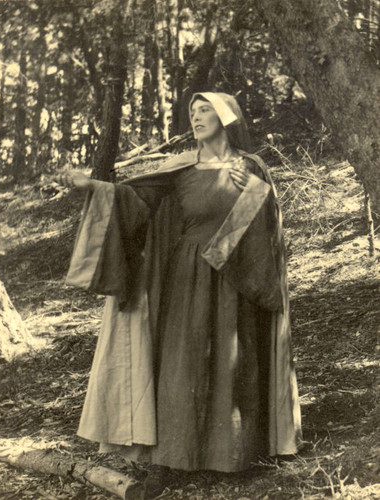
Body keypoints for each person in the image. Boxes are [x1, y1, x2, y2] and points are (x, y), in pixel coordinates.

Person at [62, 92, 301, 482]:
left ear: (226, 116)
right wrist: (93, 187)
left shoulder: (251, 167)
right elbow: (134, 200)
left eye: (205, 109)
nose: (197, 117)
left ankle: (227, 457)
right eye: (192, 111)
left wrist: (254, 191)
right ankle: (174, 457)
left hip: (236, 278)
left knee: (232, 363)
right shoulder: (181, 168)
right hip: (186, 277)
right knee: (180, 364)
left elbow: (270, 228)